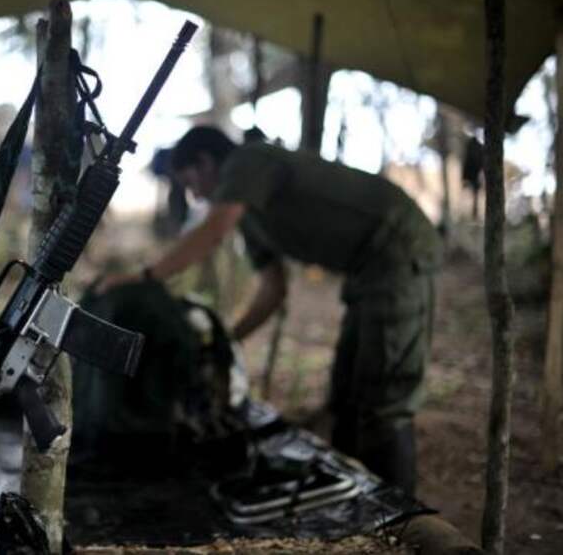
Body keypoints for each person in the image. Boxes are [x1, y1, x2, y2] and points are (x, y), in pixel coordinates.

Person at [101, 125, 441, 496]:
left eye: (191, 182)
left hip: (397, 248)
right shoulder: (251, 216)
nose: (195, 195)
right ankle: (355, 500)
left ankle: (399, 518)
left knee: (383, 397)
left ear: (206, 161)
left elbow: (212, 234)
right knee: (346, 394)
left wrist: (144, 278)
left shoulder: (249, 159)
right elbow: (272, 290)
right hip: (365, 270)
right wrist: (227, 342)